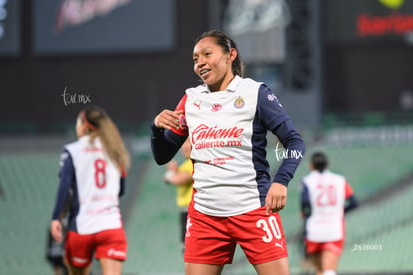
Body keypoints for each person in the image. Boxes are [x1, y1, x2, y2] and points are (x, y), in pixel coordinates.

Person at [151, 30, 305, 275]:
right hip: (205, 217)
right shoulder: (190, 100)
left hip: (254, 209)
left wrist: (281, 182)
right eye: (194, 59)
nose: (199, 62)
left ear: (230, 55)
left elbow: (295, 143)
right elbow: (162, 156)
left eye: (207, 54)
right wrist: (157, 129)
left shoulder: (255, 93)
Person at [50, 106, 130, 275]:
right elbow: (121, 190)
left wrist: (57, 217)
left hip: (82, 226)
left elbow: (65, 187)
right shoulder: (114, 150)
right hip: (111, 225)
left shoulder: (72, 151)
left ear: (84, 126)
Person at [300, 152, 358, 275]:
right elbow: (354, 202)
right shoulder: (340, 180)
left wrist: (305, 213)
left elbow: (305, 204)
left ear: (311, 166)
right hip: (334, 229)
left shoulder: (307, 181)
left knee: (319, 270)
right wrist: (341, 212)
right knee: (330, 270)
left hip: (314, 230)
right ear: (327, 164)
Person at [163, 138, 193, 252]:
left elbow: (178, 180)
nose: (184, 147)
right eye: (183, 143)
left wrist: (171, 173)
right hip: (185, 212)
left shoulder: (194, 163)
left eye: (188, 143)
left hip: (192, 212)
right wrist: (173, 172)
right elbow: (167, 179)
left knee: (190, 250)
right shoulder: (186, 164)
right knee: (185, 248)